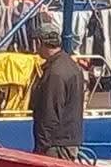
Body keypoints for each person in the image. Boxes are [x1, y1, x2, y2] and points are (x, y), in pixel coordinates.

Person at [30, 25, 85, 159]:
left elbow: (50, 112)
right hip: (68, 140)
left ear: (40, 43)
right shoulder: (71, 65)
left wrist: (41, 149)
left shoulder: (54, 73)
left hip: (55, 146)